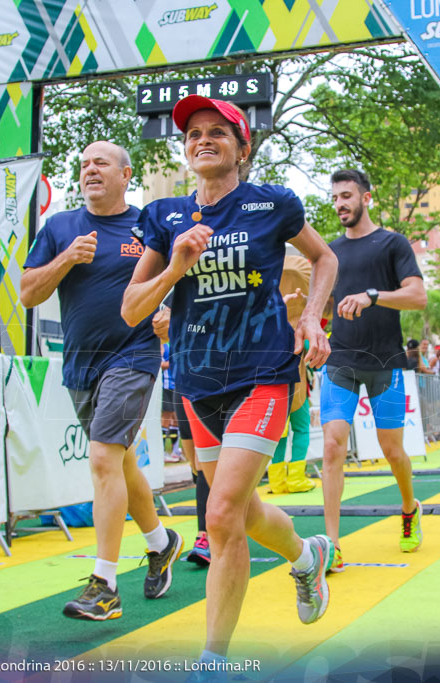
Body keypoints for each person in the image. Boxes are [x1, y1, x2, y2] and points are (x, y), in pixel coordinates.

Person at [120, 96, 338, 665]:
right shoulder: (164, 216)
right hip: (196, 380)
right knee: (235, 511)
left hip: (262, 373)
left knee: (218, 516)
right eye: (194, 134)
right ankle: (307, 556)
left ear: (242, 148)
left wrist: (311, 315)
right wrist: (174, 268)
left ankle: (213, 663)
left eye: (218, 132)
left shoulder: (272, 204)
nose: (203, 140)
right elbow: (131, 310)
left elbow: (325, 259)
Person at [19, 140, 182, 620]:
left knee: (103, 457)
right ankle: (159, 541)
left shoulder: (148, 226)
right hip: (81, 364)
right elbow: (28, 293)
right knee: (122, 460)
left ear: (125, 174)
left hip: (133, 355)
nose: (90, 170)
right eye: (84, 164)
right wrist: (66, 259)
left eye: (101, 163)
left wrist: (169, 311)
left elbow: (180, 279)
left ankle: (105, 585)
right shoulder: (60, 228)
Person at [320, 167, 428, 573]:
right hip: (341, 362)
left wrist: (372, 296)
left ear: (367, 197)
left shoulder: (392, 243)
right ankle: (331, 544)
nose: (339, 204)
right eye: (334, 198)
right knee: (332, 446)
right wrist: (305, 307)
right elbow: (330, 307)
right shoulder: (329, 253)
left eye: (346, 196)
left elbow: (417, 297)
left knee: (392, 451)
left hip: (386, 364)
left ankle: (408, 506)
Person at [153, 305, 211, 566]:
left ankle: (205, 536)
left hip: (212, 381)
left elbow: (205, 327)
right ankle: (224, 516)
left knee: (204, 462)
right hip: (181, 383)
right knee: (197, 466)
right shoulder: (173, 290)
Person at [267, 253, 318, 495]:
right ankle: (296, 478)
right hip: (296, 386)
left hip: (271, 386)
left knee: (278, 433)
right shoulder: (301, 323)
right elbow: (310, 350)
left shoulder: (267, 318)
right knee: (301, 428)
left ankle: (276, 481)